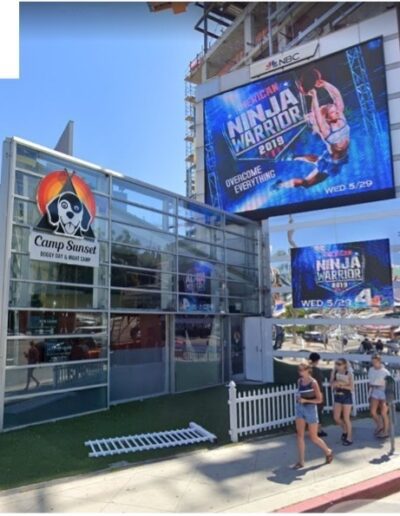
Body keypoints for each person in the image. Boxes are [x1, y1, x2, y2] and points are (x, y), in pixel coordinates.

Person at [274, 73, 350, 190]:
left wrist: (325, 84)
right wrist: (314, 97)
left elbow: (337, 96)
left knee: (318, 160)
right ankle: (279, 185)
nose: (335, 109)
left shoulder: (339, 117)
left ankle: (293, 157)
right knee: (306, 183)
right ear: (328, 118)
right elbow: (318, 116)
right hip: (332, 163)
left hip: (334, 158)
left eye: (333, 108)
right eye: (332, 110)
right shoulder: (327, 132)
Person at [292, 362, 333, 469]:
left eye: (301, 370)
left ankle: (328, 451)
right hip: (300, 408)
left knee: (313, 437)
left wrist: (306, 399)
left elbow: (319, 400)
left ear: (307, 370)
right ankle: (301, 461)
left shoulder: (313, 383)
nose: (300, 372)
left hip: (310, 409)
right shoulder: (299, 381)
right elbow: (300, 393)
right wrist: (299, 398)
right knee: (299, 435)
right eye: (299, 370)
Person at [330, 358, 354, 446]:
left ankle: (349, 437)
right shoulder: (335, 373)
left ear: (344, 365)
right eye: (336, 364)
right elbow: (331, 384)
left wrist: (341, 385)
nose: (337, 366)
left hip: (346, 396)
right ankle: (345, 430)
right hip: (338, 396)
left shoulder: (349, 373)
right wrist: (333, 374)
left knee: (346, 417)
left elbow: (352, 388)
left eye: (339, 364)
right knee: (336, 417)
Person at [368, 354, 390, 438]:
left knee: (383, 412)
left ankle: (386, 431)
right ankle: (380, 425)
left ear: (379, 361)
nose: (374, 363)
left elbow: (389, 383)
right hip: (375, 391)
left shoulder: (385, 372)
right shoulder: (371, 369)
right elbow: (370, 381)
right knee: (373, 412)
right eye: (372, 362)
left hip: (383, 392)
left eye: (375, 362)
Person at [309, 352, 327, 437]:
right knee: (318, 412)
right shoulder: (317, 371)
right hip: (317, 392)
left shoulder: (307, 370)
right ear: (317, 360)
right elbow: (320, 381)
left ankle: (311, 429)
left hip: (309, 393)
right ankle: (318, 430)